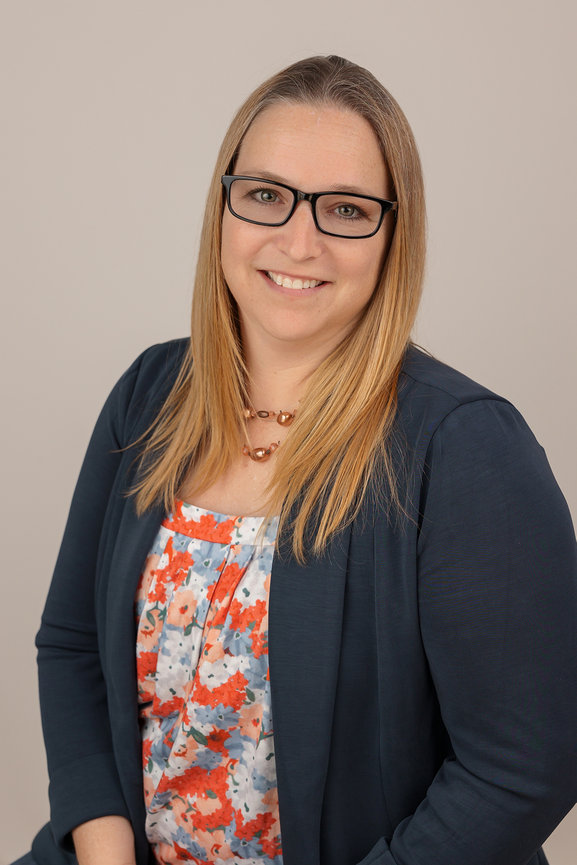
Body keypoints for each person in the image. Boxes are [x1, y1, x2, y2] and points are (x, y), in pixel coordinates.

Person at [12, 55, 577, 865]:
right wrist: (104, 852)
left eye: (345, 208)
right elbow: (71, 645)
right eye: (266, 195)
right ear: (224, 207)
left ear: (394, 235)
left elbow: (519, 768)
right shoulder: (148, 393)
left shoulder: (464, 448)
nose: (299, 240)